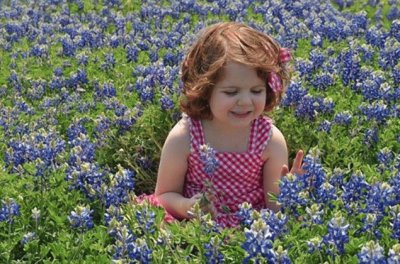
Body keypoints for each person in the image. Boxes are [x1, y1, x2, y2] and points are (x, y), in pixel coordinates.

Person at [150, 22, 304, 228]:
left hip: (249, 226)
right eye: (231, 92)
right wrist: (187, 206)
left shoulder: (270, 140)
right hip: (196, 224)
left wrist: (289, 193)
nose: (245, 101)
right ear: (206, 90)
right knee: (155, 222)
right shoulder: (185, 135)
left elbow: (274, 208)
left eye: (256, 91)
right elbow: (164, 195)